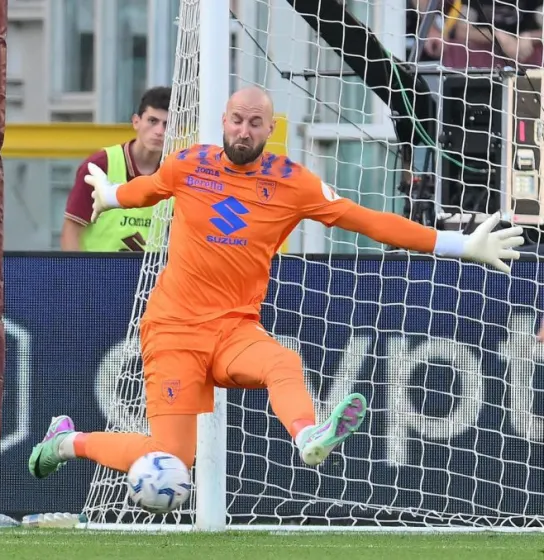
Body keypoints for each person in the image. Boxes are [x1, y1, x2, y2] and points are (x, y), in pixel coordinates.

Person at [28, 86, 524, 480]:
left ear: (270, 128)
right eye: (237, 120)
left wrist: (457, 245)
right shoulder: (189, 164)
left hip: (234, 331)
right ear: (224, 121)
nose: (244, 130)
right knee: (172, 460)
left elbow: (365, 220)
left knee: (283, 361)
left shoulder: (292, 182)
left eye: (255, 123)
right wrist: (111, 194)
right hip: (174, 330)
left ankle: (309, 436)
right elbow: (146, 190)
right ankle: (68, 442)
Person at [61, 86, 170, 252]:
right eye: (152, 121)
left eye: (167, 124)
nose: (159, 131)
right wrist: (76, 276)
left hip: (151, 277)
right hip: (97, 275)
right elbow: (71, 230)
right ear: (136, 122)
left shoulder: (175, 172)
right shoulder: (100, 165)